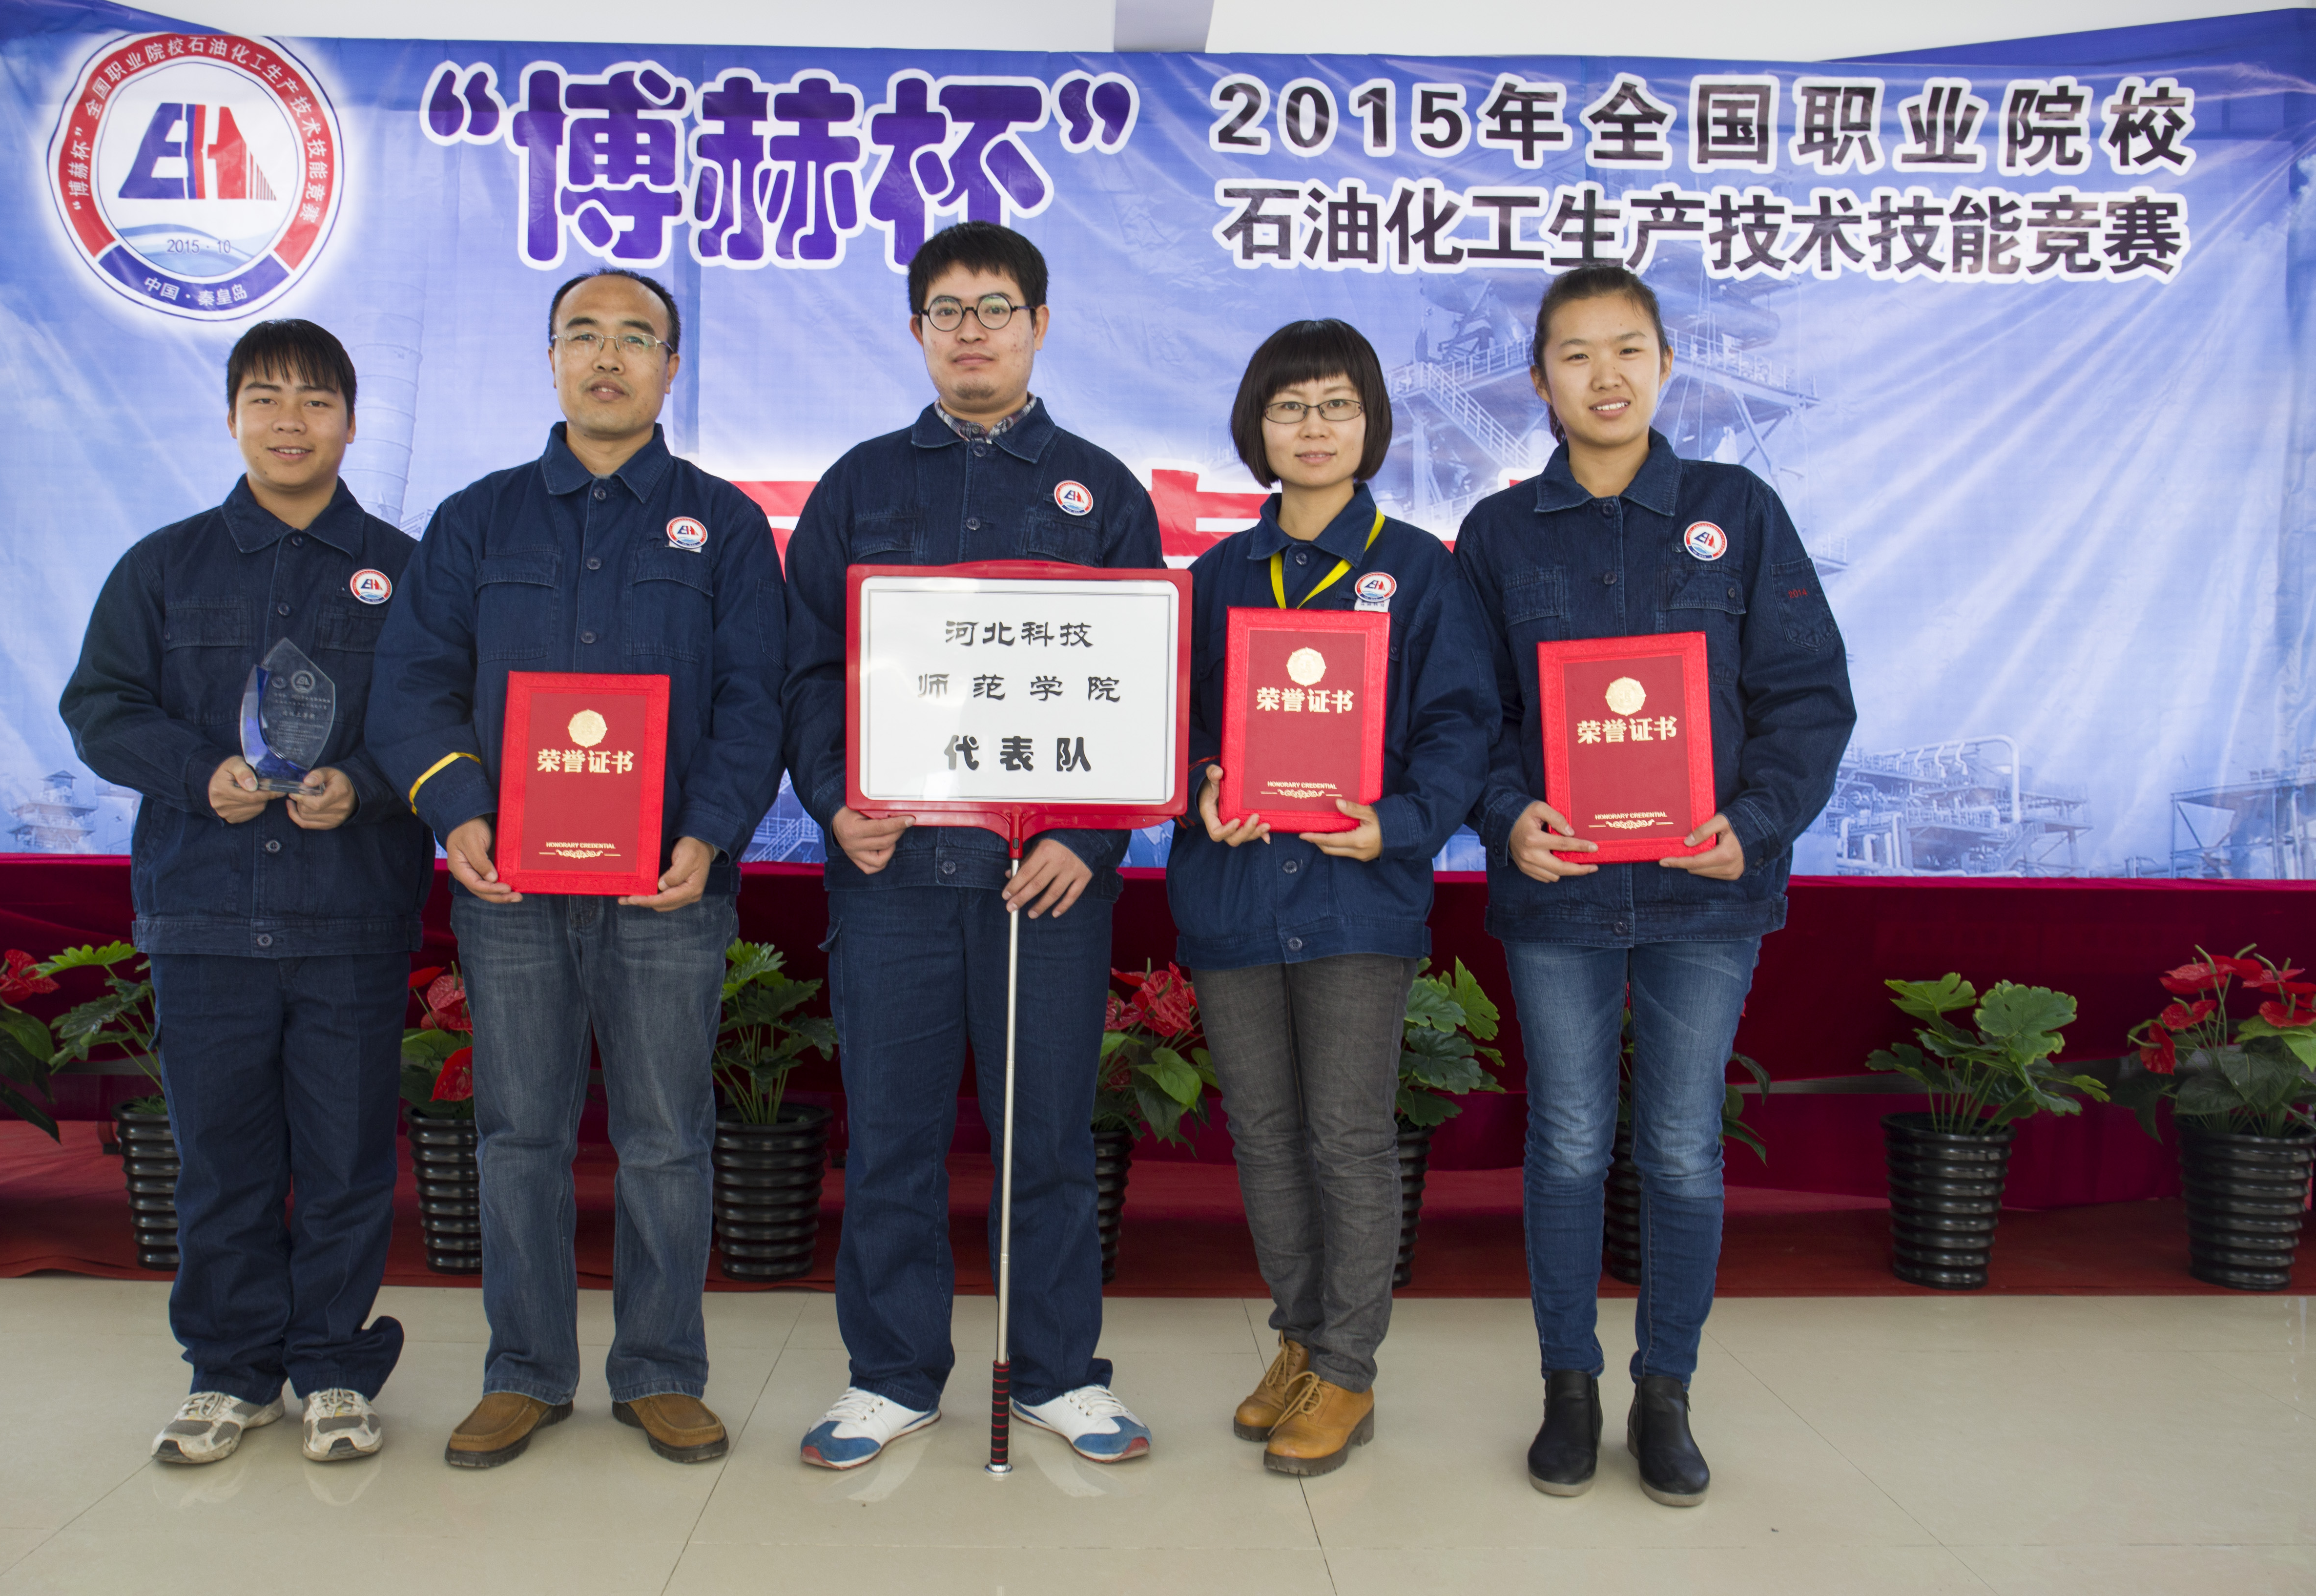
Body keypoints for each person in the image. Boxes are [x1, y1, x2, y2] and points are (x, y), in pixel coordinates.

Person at [367, 269, 786, 1469]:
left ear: (672, 365)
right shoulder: (477, 520)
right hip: (512, 890)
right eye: (583, 336)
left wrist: (709, 832)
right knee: (519, 1137)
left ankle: (660, 1371)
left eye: (636, 338)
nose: (609, 358)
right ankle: (527, 1371)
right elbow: (412, 684)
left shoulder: (725, 525)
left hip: (666, 888)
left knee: (665, 1138)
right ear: (550, 358)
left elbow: (754, 699)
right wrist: (457, 811)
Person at [1456, 266, 1854, 1507]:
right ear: (1540, 381)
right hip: (1560, 890)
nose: (1605, 375)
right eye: (1575, 354)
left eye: (1627, 348)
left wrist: (1756, 823)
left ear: (1667, 364)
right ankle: (1568, 1387)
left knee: (1682, 1150)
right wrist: (1505, 814)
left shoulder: (1738, 511)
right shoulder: (1498, 535)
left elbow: (1806, 696)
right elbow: (1470, 714)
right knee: (1569, 1143)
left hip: (1703, 890)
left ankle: (1665, 1390)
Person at [782, 222, 1161, 1469]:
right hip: (892, 872)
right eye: (946, 311)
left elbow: (1141, 686)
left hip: (1043, 882)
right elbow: (807, 670)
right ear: (917, 333)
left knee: (1045, 1139)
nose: (972, 331)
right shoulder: (859, 487)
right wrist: (835, 797)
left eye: (996, 307)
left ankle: (1055, 1373)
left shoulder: (1101, 492)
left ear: (1039, 325)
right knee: (891, 1137)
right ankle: (890, 1376)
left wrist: (1090, 840)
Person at [61, 320, 434, 1466]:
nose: (289, 422)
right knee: (221, 1160)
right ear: (230, 417)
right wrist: (196, 772)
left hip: (350, 917)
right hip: (206, 913)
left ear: (352, 423)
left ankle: (332, 1368)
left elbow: (448, 718)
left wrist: (366, 787)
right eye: (265, 399)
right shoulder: (163, 566)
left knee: (346, 1160)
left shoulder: (408, 572)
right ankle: (228, 1374)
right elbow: (100, 708)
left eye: (315, 401)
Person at [1168, 320, 1496, 1477]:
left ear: (1371, 424)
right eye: (1290, 407)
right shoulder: (1214, 578)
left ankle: (1348, 1370)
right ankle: (1300, 1339)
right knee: (1263, 1136)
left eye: (1337, 405)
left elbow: (1461, 726)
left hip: (1358, 895)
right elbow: (1173, 719)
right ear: (1256, 427)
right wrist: (1201, 782)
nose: (1314, 428)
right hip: (1234, 892)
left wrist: (1395, 823)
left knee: (1347, 1138)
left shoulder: (1419, 571)